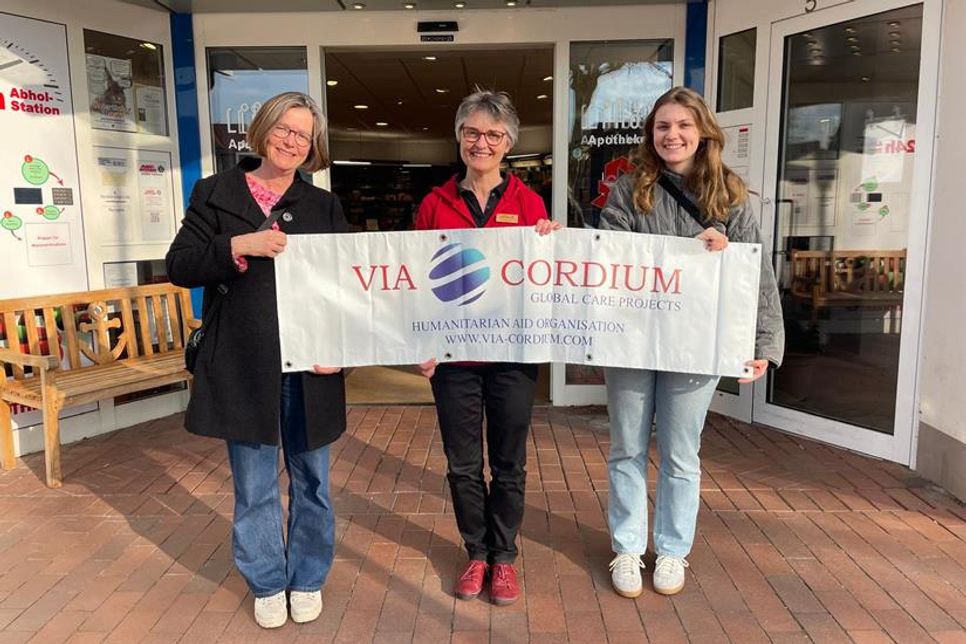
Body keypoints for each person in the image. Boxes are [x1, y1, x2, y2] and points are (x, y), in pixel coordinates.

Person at [165, 92, 348, 629]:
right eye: (285, 129)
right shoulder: (215, 193)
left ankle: (308, 576)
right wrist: (236, 243)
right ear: (264, 129)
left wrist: (341, 351)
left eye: (304, 135)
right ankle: (267, 580)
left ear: (313, 146)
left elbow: (345, 288)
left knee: (312, 479)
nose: (293, 141)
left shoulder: (323, 206)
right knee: (255, 482)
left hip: (309, 363)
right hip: (244, 360)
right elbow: (180, 265)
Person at [599, 86, 784, 598]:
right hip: (633, 340)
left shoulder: (731, 195)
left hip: (696, 344)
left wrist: (764, 342)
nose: (672, 135)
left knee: (682, 453)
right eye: (663, 126)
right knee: (627, 448)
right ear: (650, 134)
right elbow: (608, 254)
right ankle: (628, 548)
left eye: (682, 125)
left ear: (702, 131)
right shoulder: (629, 188)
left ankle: (674, 551)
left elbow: (757, 271)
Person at [415, 89, 559, 606]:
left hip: (512, 358)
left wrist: (549, 240)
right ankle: (476, 552)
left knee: (509, 463)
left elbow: (541, 276)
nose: (482, 142)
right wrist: (420, 343)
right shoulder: (434, 204)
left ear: (508, 144)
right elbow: (414, 284)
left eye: (494, 135)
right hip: (454, 359)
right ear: (459, 139)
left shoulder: (529, 203)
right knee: (461, 464)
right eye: (473, 132)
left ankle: (504, 557)